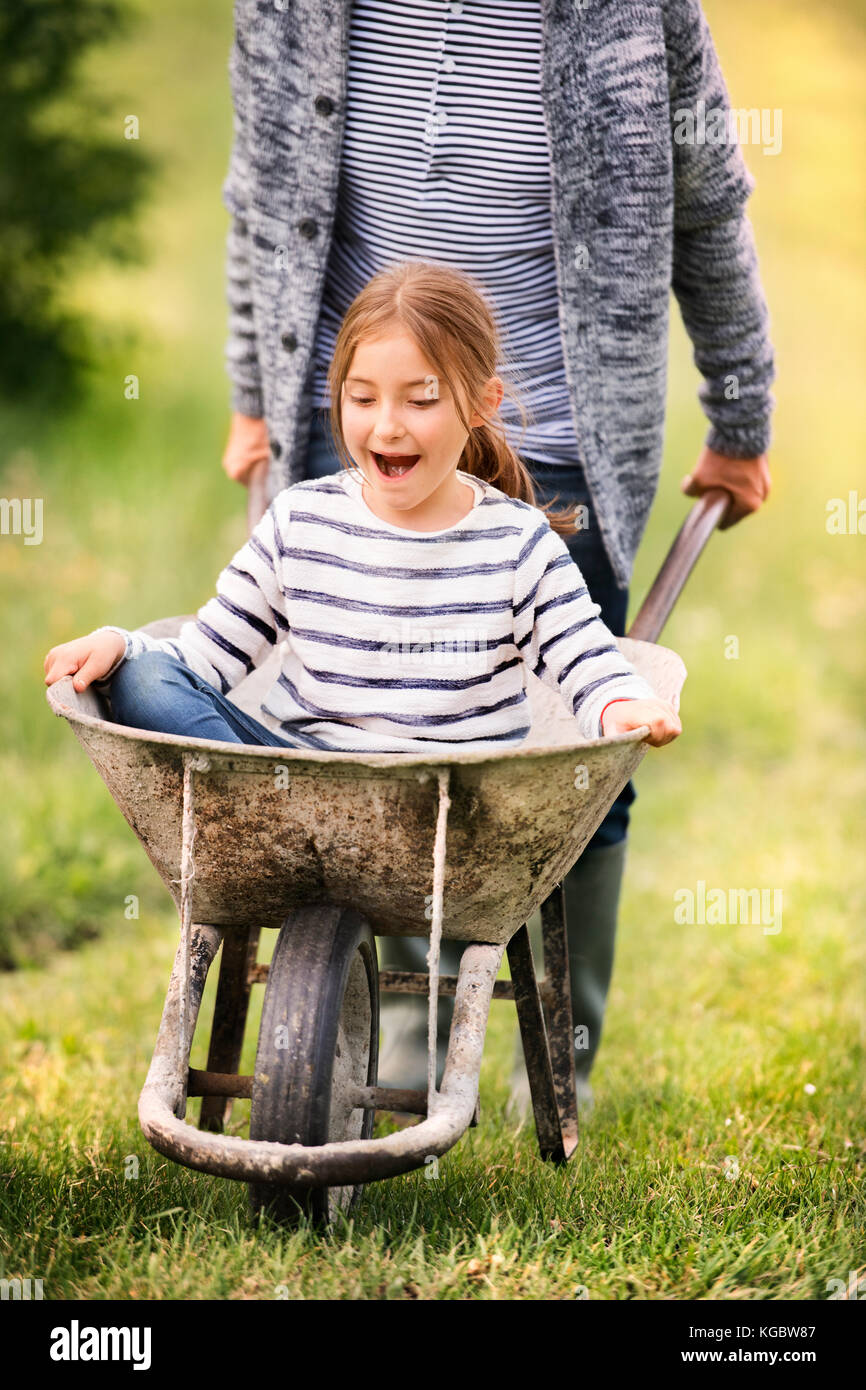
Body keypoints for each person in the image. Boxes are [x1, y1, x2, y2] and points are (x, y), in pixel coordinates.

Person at [215, 0, 774, 1107]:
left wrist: (741, 413)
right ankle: (409, 1062)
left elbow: (706, 197)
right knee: (370, 741)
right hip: (355, 430)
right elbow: (260, 193)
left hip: (559, 436)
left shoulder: (626, 13)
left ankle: (550, 1059)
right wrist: (251, 392)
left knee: (569, 766)